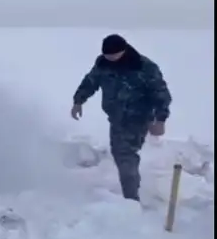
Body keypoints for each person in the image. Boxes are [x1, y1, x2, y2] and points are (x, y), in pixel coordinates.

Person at [71, 34, 172, 201]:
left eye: (113, 55)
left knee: (125, 154)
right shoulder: (103, 63)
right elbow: (91, 81)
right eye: (107, 55)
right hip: (116, 118)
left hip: (138, 118)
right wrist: (78, 101)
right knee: (120, 153)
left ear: (123, 50)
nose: (110, 58)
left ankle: (131, 198)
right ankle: (131, 189)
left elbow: (161, 94)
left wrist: (160, 119)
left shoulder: (144, 67)